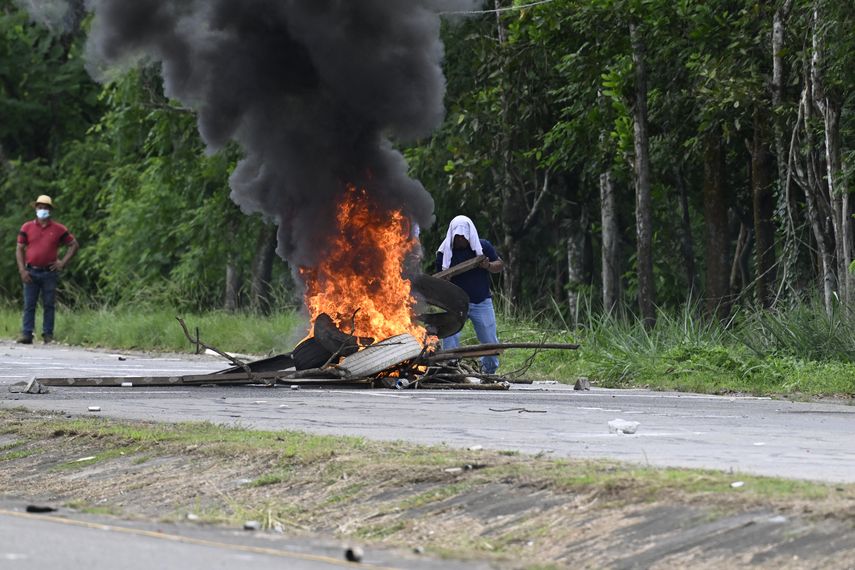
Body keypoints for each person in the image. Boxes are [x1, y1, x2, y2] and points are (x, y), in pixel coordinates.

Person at [435, 215, 504, 374]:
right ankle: (450, 369)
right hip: (455, 303)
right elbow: (439, 281)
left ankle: (488, 371)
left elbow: (499, 265)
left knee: (489, 339)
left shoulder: (482, 247)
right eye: (457, 237)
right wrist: (446, 277)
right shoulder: (443, 252)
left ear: (469, 235)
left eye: (463, 237)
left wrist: (487, 265)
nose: (460, 240)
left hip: (481, 301)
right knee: (450, 337)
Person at [15, 195, 79, 344]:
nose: (42, 210)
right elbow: (19, 248)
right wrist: (22, 270)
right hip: (31, 270)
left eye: (45, 207)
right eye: (39, 207)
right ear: (35, 208)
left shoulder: (58, 229)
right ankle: (27, 333)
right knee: (29, 304)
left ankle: (48, 334)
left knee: (49, 304)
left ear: (49, 210)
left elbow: (74, 245)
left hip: (49, 272)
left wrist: (62, 263)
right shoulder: (27, 227)